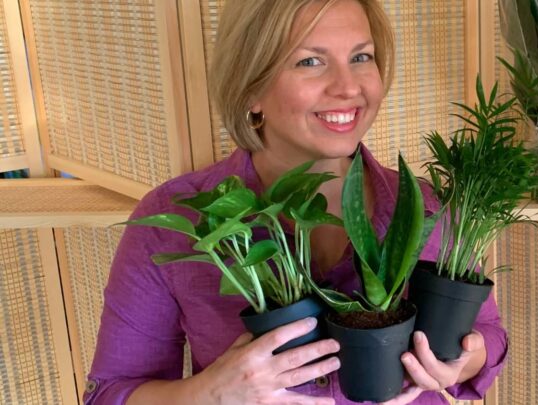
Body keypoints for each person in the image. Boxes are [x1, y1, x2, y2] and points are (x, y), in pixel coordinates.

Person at [85, 0, 507, 404]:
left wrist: (467, 360)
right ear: (251, 88)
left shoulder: (425, 207)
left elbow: (487, 332)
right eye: (310, 61)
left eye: (361, 57)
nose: (348, 87)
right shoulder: (176, 217)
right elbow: (110, 392)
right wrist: (211, 394)